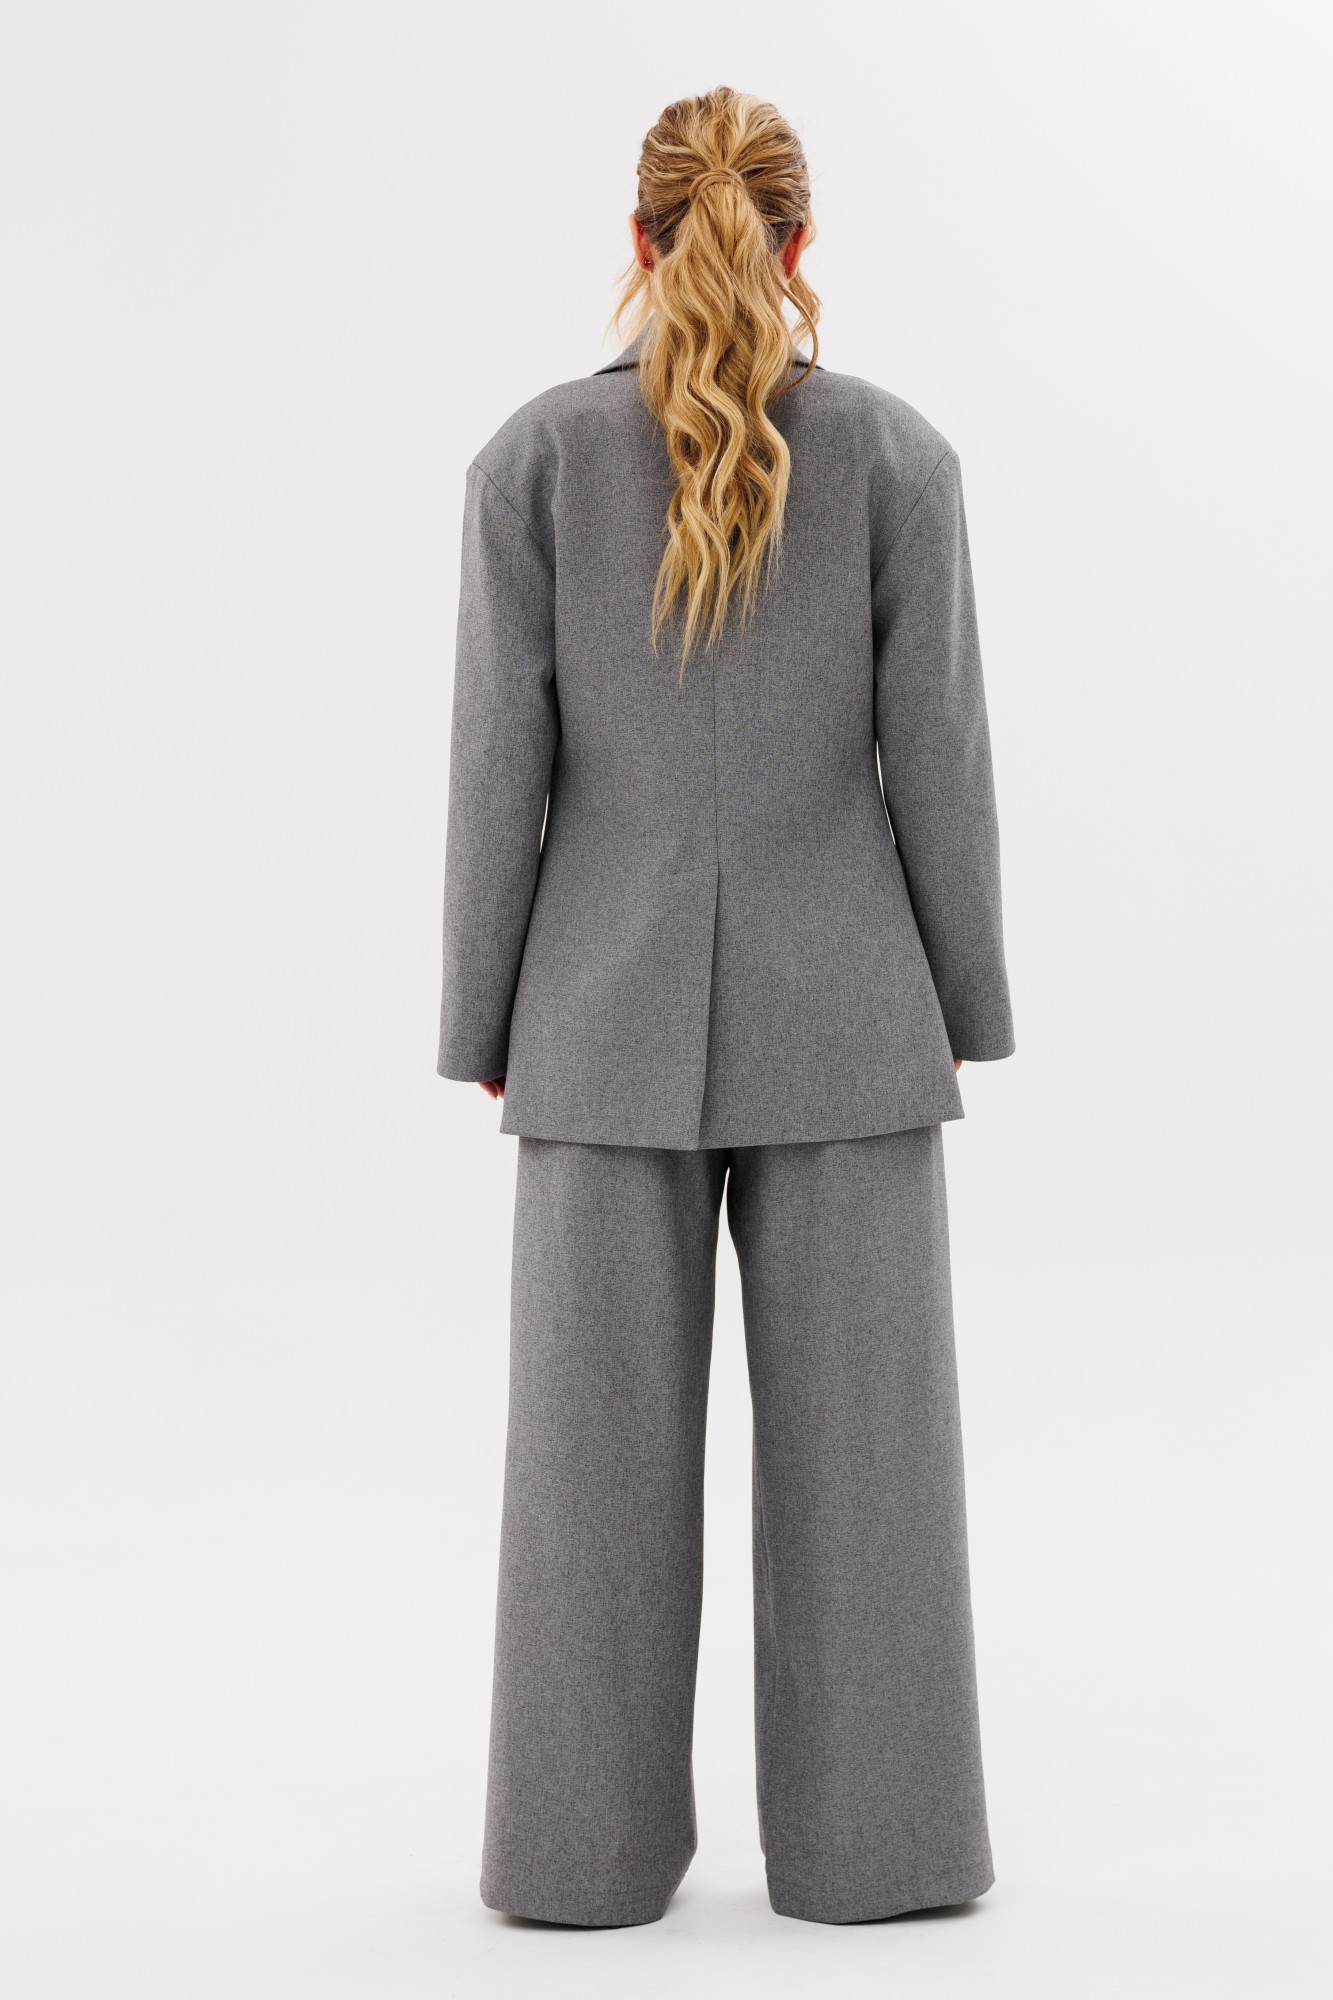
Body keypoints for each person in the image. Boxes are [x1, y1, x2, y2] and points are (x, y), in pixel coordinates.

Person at [436, 85, 1015, 1929]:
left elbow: (498, 774)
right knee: (873, 1479)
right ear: (798, 245)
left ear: (637, 241)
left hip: (593, 1023)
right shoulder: (897, 460)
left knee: (583, 1484)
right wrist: (962, 1001)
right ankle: (884, 1857)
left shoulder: (530, 465)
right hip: (851, 1018)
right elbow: (938, 762)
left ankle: (573, 1865)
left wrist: (485, 1022)